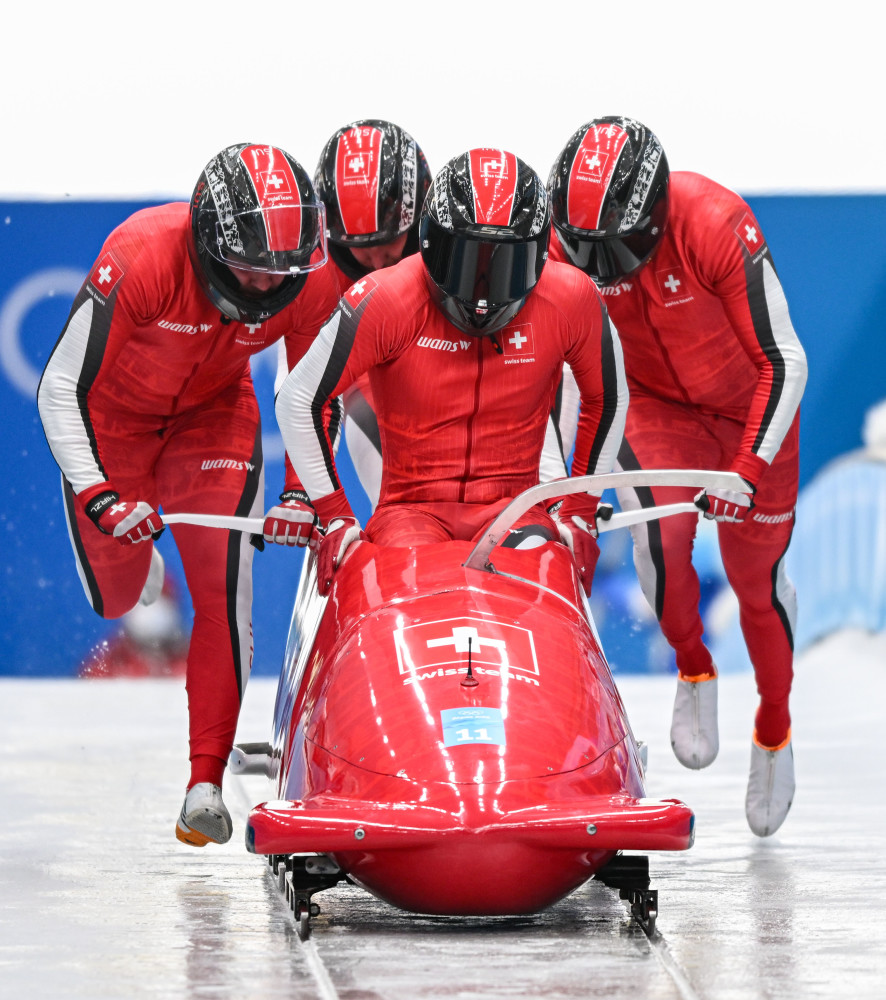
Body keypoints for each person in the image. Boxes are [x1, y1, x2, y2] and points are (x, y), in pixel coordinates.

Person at [37, 143, 341, 847]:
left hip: (214, 415)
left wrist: (302, 495)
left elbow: (310, 396)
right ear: (207, 240)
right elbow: (60, 385)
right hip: (113, 426)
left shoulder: (313, 283)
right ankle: (141, 569)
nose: (266, 289)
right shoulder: (142, 254)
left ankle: (203, 783)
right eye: (248, 270)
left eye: (282, 274)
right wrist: (101, 495)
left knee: (224, 591)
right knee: (115, 598)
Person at [547, 117, 808, 837]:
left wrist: (749, 466)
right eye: (584, 249)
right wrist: (574, 488)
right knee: (660, 547)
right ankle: (693, 667)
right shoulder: (554, 242)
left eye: (618, 249)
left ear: (658, 214)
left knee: (756, 586)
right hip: (654, 406)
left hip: (747, 410)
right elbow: (553, 373)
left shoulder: (716, 223)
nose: (602, 268)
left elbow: (783, 361)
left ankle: (775, 726)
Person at [275, 148, 628, 598]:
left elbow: (608, 396)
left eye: (504, 264)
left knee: (536, 569)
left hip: (516, 510)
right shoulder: (385, 299)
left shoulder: (571, 299)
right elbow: (299, 398)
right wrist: (335, 515)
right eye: (466, 259)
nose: (482, 291)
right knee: (416, 588)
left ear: (537, 254)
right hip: (410, 515)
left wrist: (577, 509)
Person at [307, 119, 432, 508]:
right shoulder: (314, 272)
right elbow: (300, 389)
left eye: (389, 240)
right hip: (369, 382)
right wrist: (308, 495)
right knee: (403, 508)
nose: (379, 262)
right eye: (362, 249)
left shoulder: (450, 241)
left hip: (452, 366)